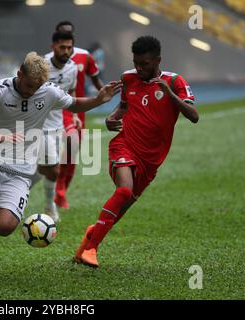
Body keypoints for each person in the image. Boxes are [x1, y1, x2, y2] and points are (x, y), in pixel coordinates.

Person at [0, 51, 121, 279]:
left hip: (20, 172)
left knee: (5, 227)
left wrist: (98, 99)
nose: (32, 91)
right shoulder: (0, 89)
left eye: (37, 86)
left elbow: (73, 104)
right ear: (19, 73)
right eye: (29, 84)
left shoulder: (48, 91)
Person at [74, 36, 199, 268]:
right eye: (136, 62)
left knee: (119, 211)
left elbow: (194, 116)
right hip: (125, 145)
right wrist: (111, 118)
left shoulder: (174, 82)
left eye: (144, 63)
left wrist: (171, 96)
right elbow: (123, 106)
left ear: (158, 60)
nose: (139, 68)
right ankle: (91, 250)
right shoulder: (128, 78)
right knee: (123, 191)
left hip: (151, 161)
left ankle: (89, 240)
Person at [51, 21, 104, 209]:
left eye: (69, 36)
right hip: (53, 111)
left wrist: (106, 96)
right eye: (62, 35)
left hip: (76, 110)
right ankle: (55, 188)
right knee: (54, 152)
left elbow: (96, 80)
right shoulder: (48, 60)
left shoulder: (84, 57)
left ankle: (62, 190)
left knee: (72, 153)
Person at [32, 31, 78, 222]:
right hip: (39, 125)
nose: (66, 51)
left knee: (43, 169)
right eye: (62, 47)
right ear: (53, 47)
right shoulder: (41, 66)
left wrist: (74, 114)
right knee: (54, 169)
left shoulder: (73, 67)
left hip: (57, 125)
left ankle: (11, 194)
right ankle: (50, 207)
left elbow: (71, 90)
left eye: (69, 47)